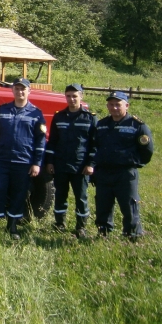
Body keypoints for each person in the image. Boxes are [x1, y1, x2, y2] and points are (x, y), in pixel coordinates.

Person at [0, 78, 47, 240]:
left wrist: (37, 163)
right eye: (17, 89)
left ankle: (12, 226)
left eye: (23, 89)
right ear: (12, 91)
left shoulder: (36, 113)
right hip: (2, 160)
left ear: (29, 91)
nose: (20, 92)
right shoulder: (2, 110)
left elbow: (41, 141)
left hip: (23, 162)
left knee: (19, 194)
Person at [93, 91, 153, 239]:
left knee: (129, 205)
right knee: (103, 205)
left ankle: (132, 235)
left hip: (125, 173)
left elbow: (147, 150)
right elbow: (94, 146)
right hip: (104, 173)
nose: (114, 108)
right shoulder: (101, 125)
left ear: (127, 105)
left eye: (118, 105)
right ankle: (103, 233)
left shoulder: (137, 125)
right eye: (111, 104)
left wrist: (132, 162)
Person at [45, 84, 97, 237]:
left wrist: (90, 164)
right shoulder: (59, 116)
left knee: (81, 197)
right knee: (60, 195)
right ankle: (59, 224)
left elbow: (95, 144)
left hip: (80, 166)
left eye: (75, 96)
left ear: (81, 96)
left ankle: (81, 227)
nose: (72, 99)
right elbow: (53, 141)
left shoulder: (90, 118)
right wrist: (50, 161)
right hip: (61, 164)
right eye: (68, 96)